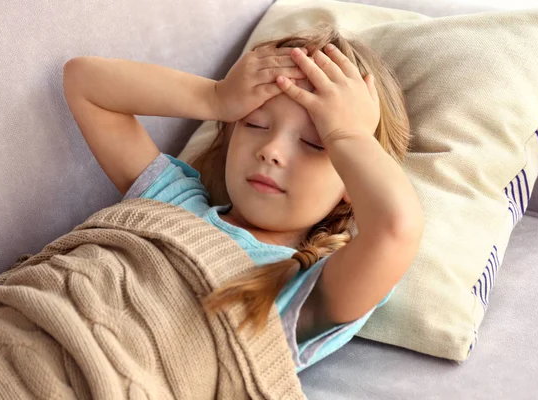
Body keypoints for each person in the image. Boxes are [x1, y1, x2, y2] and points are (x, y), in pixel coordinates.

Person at [62, 25, 424, 373]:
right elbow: (84, 82)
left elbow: (396, 228)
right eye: (255, 124)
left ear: (352, 179)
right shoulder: (172, 201)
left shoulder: (302, 287)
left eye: (316, 142)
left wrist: (348, 134)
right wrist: (214, 97)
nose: (271, 151)